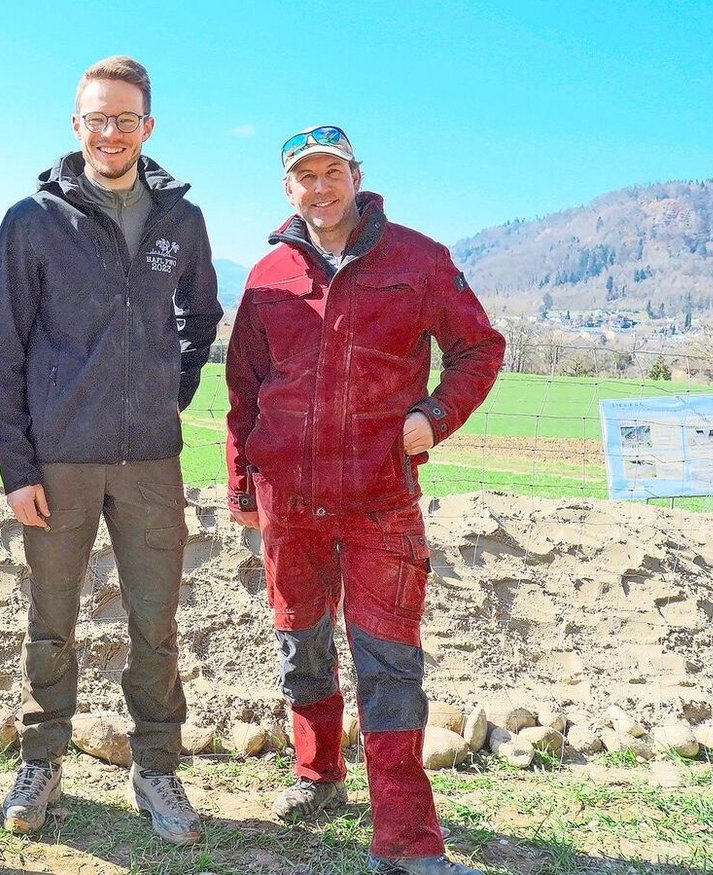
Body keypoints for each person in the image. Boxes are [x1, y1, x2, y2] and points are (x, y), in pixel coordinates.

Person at [224, 125, 504, 875]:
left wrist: (435, 416)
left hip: (381, 499)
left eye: (332, 172)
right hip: (288, 501)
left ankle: (406, 841)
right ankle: (318, 776)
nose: (320, 187)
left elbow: (480, 348)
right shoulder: (267, 275)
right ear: (288, 188)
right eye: (305, 176)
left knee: (389, 665)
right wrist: (242, 482)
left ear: (356, 176)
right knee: (302, 644)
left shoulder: (418, 260)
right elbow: (244, 388)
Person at [0, 55, 223, 846]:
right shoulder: (33, 220)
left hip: (150, 458)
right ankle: (41, 759)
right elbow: (1, 346)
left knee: (156, 622)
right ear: (75, 125)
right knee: (52, 619)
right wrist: (19, 466)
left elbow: (200, 319)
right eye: (96, 118)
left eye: (124, 118)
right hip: (60, 459)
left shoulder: (181, 220)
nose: (110, 132)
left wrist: (167, 393)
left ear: (147, 126)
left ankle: (156, 767)